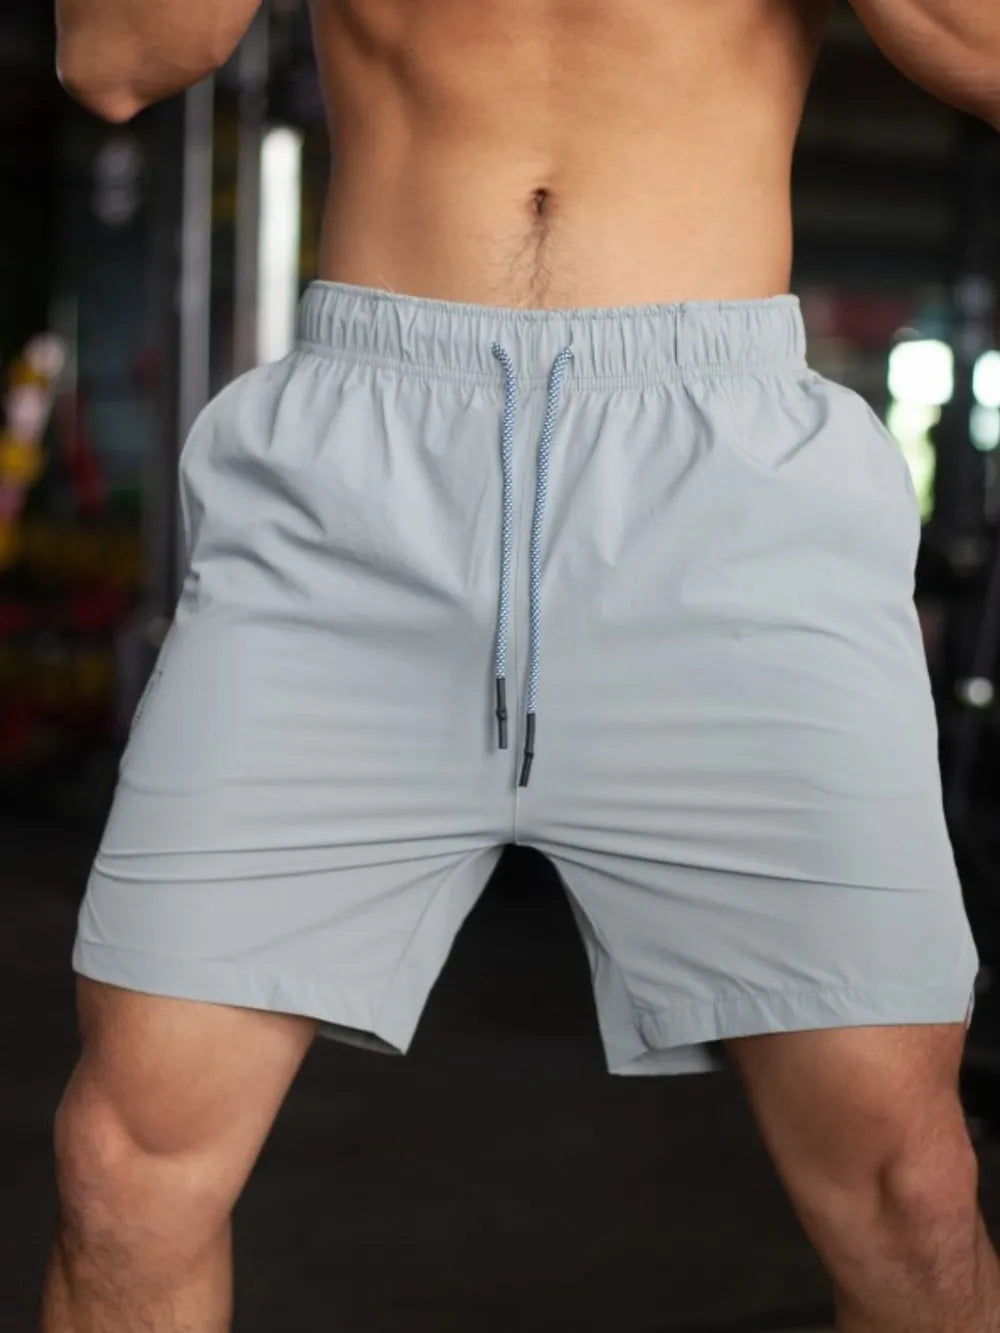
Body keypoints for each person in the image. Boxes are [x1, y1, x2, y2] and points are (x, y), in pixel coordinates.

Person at [42, 0, 1000, 1329]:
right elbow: (111, 61)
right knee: (122, 1174)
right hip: (354, 497)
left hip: (722, 501)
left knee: (910, 1192)